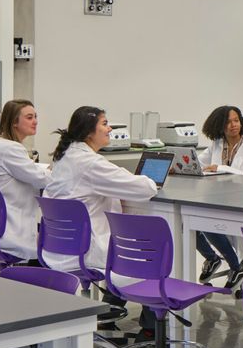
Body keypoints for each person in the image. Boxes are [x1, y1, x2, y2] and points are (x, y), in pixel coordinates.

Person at [42, 106, 159, 272]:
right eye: (105, 124)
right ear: (89, 132)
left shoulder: (65, 156)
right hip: (85, 253)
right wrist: (151, 179)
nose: (109, 128)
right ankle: (117, 295)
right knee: (150, 249)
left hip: (58, 249)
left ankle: (112, 296)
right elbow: (146, 189)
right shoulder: (91, 163)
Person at [195, 104, 243, 286]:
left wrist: (221, 168)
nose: (234, 125)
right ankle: (213, 258)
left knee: (206, 222)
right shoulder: (217, 145)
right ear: (219, 125)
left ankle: (235, 266)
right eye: (228, 122)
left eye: (236, 120)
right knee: (192, 221)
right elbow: (198, 164)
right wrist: (178, 165)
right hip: (218, 198)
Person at [0, 99, 48, 261]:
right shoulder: (11, 148)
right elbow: (41, 180)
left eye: (35, 116)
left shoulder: (1, 145)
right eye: (29, 117)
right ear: (14, 122)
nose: (35, 121)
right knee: (53, 251)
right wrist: (57, 174)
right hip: (6, 231)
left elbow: (28, 172)